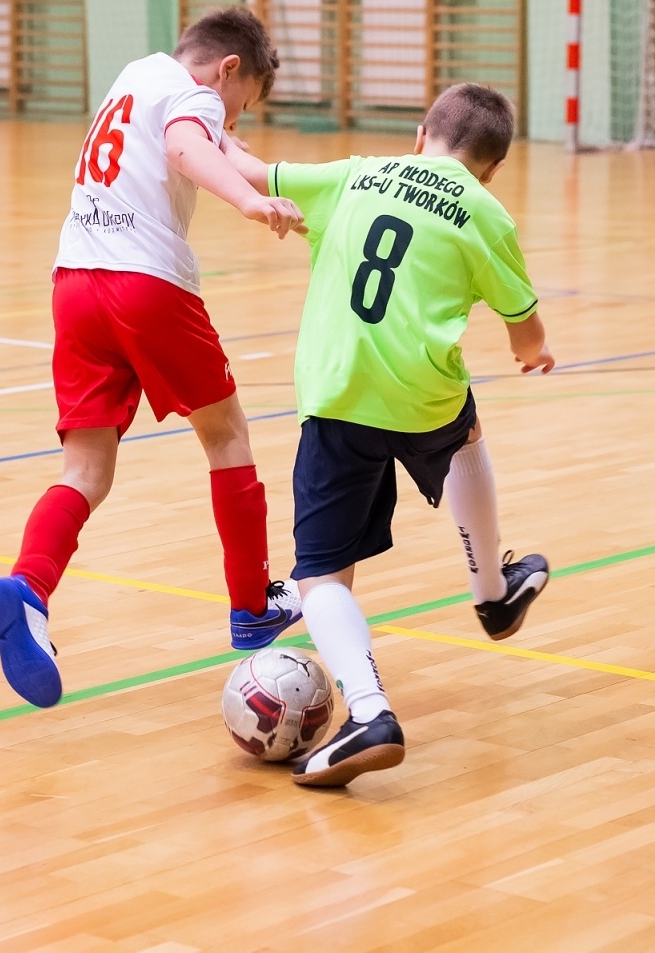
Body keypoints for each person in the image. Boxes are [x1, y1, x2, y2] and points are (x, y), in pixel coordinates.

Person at [227, 83, 554, 787]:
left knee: (319, 574)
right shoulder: (484, 210)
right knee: (463, 430)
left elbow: (252, 175)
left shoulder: (356, 173)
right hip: (425, 395)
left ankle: (369, 710)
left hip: (341, 392)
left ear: (419, 133)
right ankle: (492, 593)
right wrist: (533, 352)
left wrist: (212, 136)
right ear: (489, 167)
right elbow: (523, 321)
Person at [0, 8, 307, 709]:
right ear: (226, 71)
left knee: (86, 468)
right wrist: (251, 202)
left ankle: (28, 590)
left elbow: (222, 142)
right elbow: (193, 143)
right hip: (146, 284)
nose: (231, 114)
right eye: (239, 99)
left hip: (74, 282)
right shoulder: (190, 101)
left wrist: (308, 184)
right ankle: (252, 605)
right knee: (228, 436)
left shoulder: (137, 76)